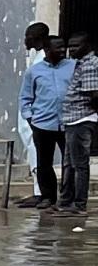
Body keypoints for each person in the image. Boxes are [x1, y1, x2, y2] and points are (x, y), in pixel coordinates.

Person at [21, 29, 74, 208]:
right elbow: (25, 98)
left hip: (69, 122)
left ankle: (69, 197)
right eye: (57, 48)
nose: (62, 51)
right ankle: (47, 197)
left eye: (63, 48)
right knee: (44, 162)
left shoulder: (73, 66)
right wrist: (30, 118)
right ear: (47, 49)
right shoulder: (34, 72)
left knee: (71, 162)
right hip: (43, 123)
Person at [64, 34, 98, 214]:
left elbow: (94, 95)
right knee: (70, 164)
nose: (72, 50)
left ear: (87, 45)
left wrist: (91, 113)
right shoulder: (81, 64)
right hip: (73, 119)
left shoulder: (90, 66)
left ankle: (78, 204)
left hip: (81, 119)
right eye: (70, 46)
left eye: (76, 46)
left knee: (79, 165)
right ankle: (67, 202)